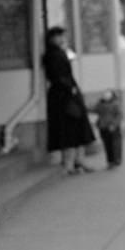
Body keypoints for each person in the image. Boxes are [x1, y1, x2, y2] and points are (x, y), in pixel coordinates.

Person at [42, 26, 96, 175]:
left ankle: (77, 161)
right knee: (69, 129)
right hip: (64, 96)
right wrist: (70, 88)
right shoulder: (53, 55)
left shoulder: (59, 53)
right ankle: (70, 163)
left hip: (68, 94)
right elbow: (58, 76)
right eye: (59, 36)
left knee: (76, 128)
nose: (62, 39)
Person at [93, 90, 123, 169]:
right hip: (103, 128)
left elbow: (119, 115)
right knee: (107, 145)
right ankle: (110, 162)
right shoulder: (100, 104)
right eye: (104, 95)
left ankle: (116, 159)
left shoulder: (115, 104)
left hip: (113, 128)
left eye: (107, 95)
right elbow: (94, 109)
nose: (105, 97)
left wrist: (114, 125)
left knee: (115, 145)